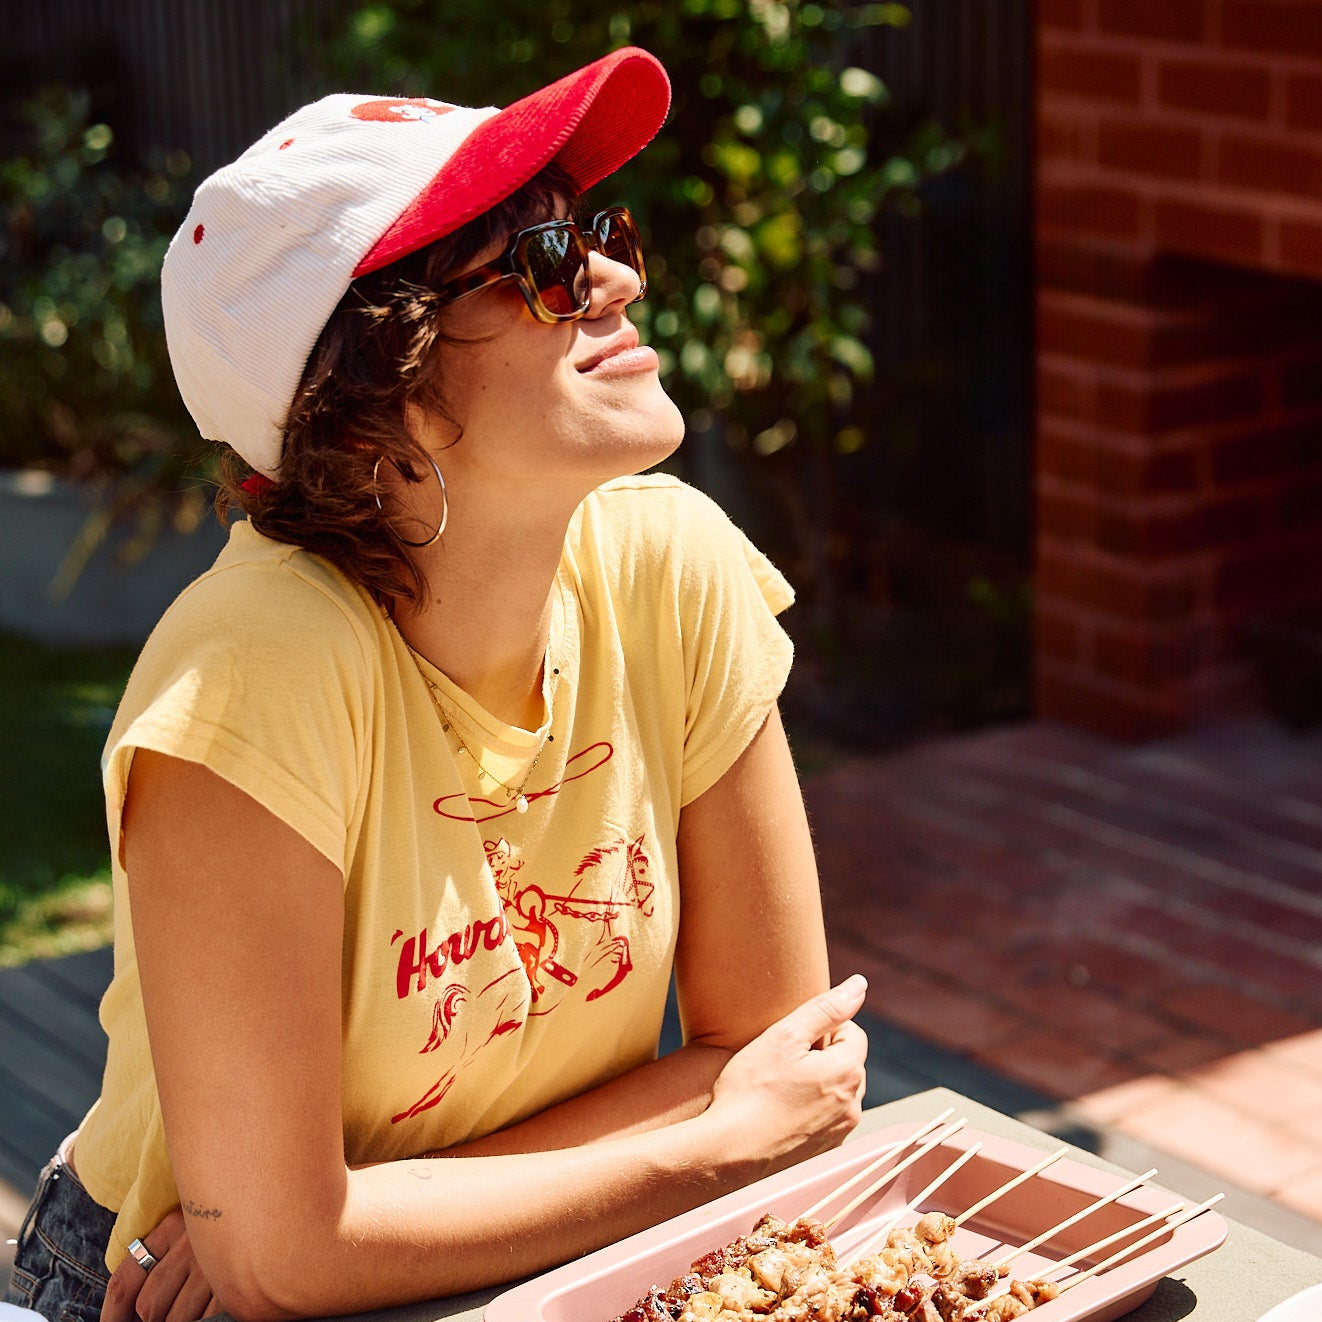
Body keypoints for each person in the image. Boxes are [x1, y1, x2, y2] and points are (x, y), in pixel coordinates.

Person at [3, 47, 868, 1322]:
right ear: (373, 392)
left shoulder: (674, 567)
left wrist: (349, 1216)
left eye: (598, 234)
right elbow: (290, 1264)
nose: (618, 277)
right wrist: (705, 1145)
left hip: (528, 1257)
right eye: (545, 264)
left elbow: (769, 1057)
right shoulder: (254, 673)